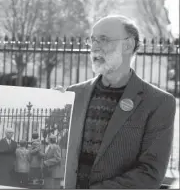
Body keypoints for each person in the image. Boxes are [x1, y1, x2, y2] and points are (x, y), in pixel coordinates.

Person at [59, 15, 176, 188]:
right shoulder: (73, 94)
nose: (95, 48)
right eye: (93, 41)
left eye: (104, 39)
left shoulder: (159, 103)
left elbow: (150, 173)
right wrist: (49, 106)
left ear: (128, 45)